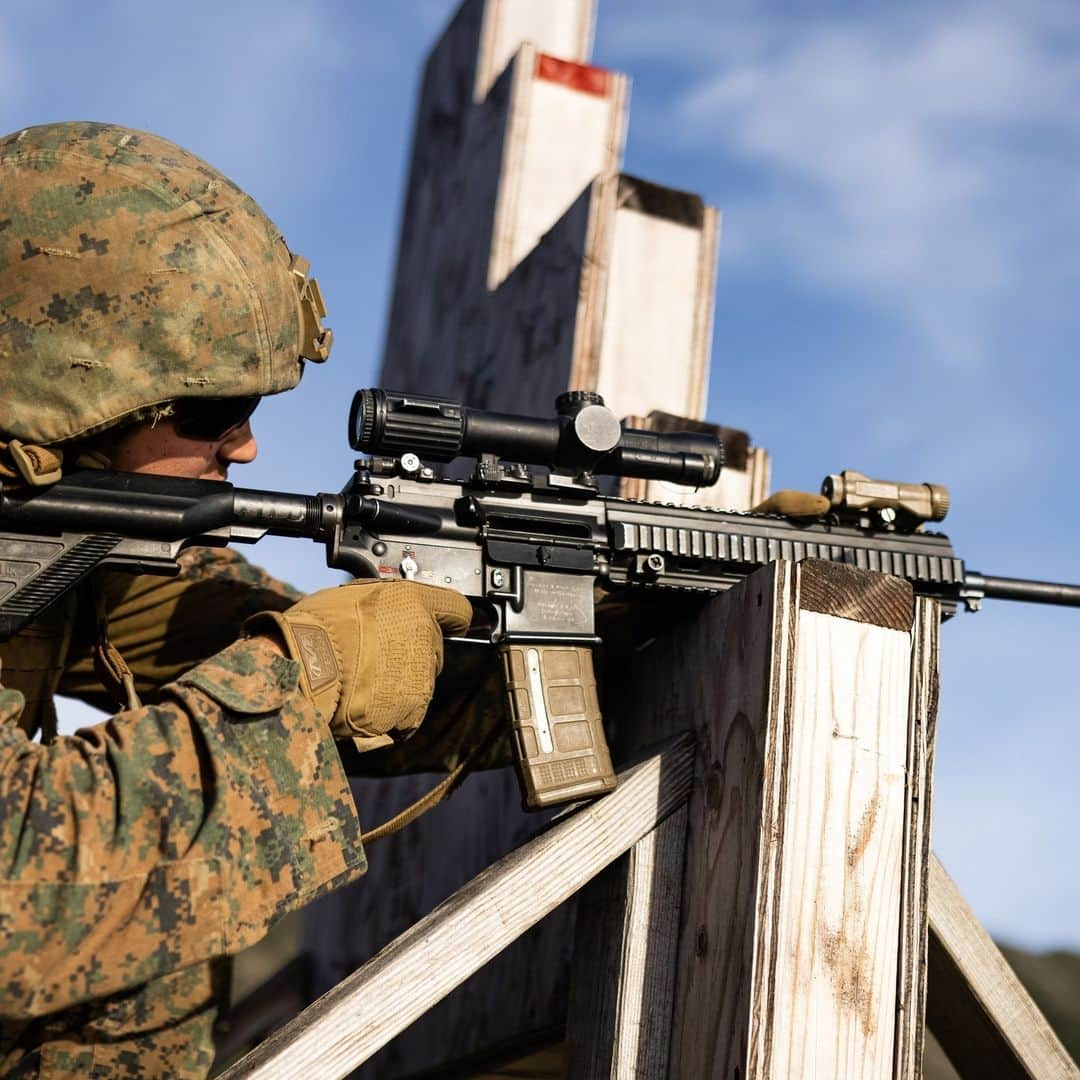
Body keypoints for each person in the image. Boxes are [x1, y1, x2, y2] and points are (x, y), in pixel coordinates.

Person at [0, 121, 474, 1077]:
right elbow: (19, 903)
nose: (246, 447)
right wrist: (311, 675)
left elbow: (254, 643)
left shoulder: (65, 540)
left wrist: (623, 619)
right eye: (213, 413)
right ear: (60, 405)